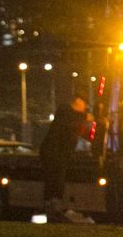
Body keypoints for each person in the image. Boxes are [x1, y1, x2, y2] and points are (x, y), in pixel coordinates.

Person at [37, 94, 90, 222]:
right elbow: (69, 123)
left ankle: (53, 207)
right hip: (53, 152)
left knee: (57, 179)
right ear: (78, 102)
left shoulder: (73, 117)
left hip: (60, 153)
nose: (85, 109)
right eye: (84, 105)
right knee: (54, 179)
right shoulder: (64, 111)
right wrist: (84, 116)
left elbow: (79, 129)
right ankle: (52, 208)